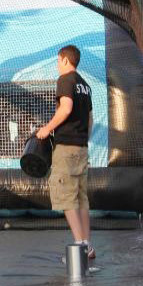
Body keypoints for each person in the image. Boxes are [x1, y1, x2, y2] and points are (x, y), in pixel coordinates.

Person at [36, 45, 95, 261]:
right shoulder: (85, 86)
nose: (57, 65)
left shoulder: (65, 80)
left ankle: (79, 247)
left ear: (65, 60)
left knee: (67, 197)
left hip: (66, 148)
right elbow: (90, 119)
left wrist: (47, 129)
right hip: (81, 148)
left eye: (58, 61)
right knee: (81, 197)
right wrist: (83, 139)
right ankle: (87, 245)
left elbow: (66, 107)